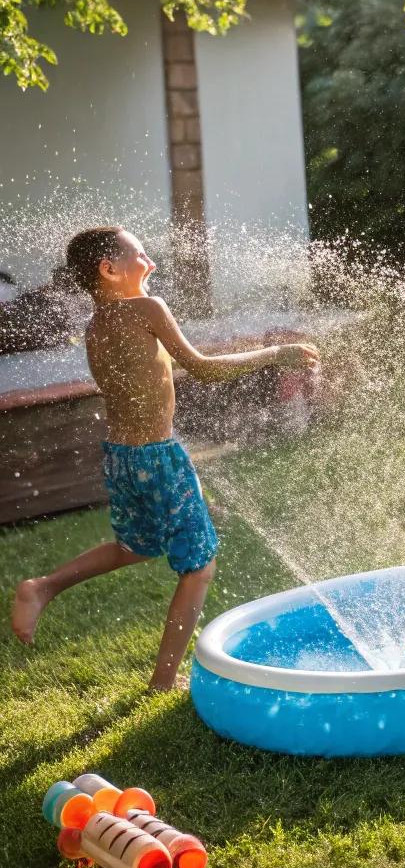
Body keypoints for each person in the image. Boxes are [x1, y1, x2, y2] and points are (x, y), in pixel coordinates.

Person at [10, 226, 320, 692]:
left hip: (121, 457)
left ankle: (44, 586)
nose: (150, 263)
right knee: (200, 567)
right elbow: (202, 367)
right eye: (140, 255)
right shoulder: (146, 308)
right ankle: (162, 681)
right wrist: (278, 353)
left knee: (135, 546)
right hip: (157, 457)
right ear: (109, 270)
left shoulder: (97, 324)